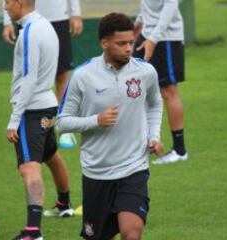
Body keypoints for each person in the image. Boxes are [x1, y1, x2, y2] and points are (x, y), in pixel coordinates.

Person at [56, 12, 164, 240]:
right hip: (97, 173)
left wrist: (153, 135)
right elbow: (62, 122)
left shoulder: (145, 72)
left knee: (132, 233)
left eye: (131, 42)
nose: (128, 48)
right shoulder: (83, 76)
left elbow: (154, 104)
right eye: (121, 43)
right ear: (104, 43)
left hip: (134, 168)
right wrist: (96, 120)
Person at [2, 0, 80, 217]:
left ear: (19, 2)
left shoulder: (28, 32)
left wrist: (15, 118)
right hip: (48, 107)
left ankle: (33, 229)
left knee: (29, 166)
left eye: (8, 2)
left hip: (32, 110)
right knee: (52, 156)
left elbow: (29, 78)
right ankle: (64, 205)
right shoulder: (46, 25)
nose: (5, 7)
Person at [133, 0, 188, 164]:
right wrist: (139, 21)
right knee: (137, 87)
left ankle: (180, 150)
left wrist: (154, 38)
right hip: (147, 34)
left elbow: (171, 4)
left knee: (169, 91)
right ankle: (142, 144)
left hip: (165, 38)